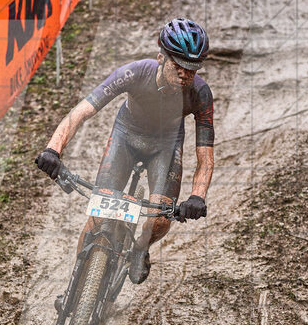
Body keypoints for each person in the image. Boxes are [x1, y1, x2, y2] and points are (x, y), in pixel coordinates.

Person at [34, 18, 215, 285]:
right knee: (98, 218)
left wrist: (197, 196)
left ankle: (141, 247)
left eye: (192, 69)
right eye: (178, 66)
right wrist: (53, 149)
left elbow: (205, 156)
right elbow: (81, 112)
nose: (185, 75)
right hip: (126, 136)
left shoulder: (200, 93)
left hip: (166, 147)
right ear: (161, 58)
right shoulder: (134, 73)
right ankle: (76, 285)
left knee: (161, 221)